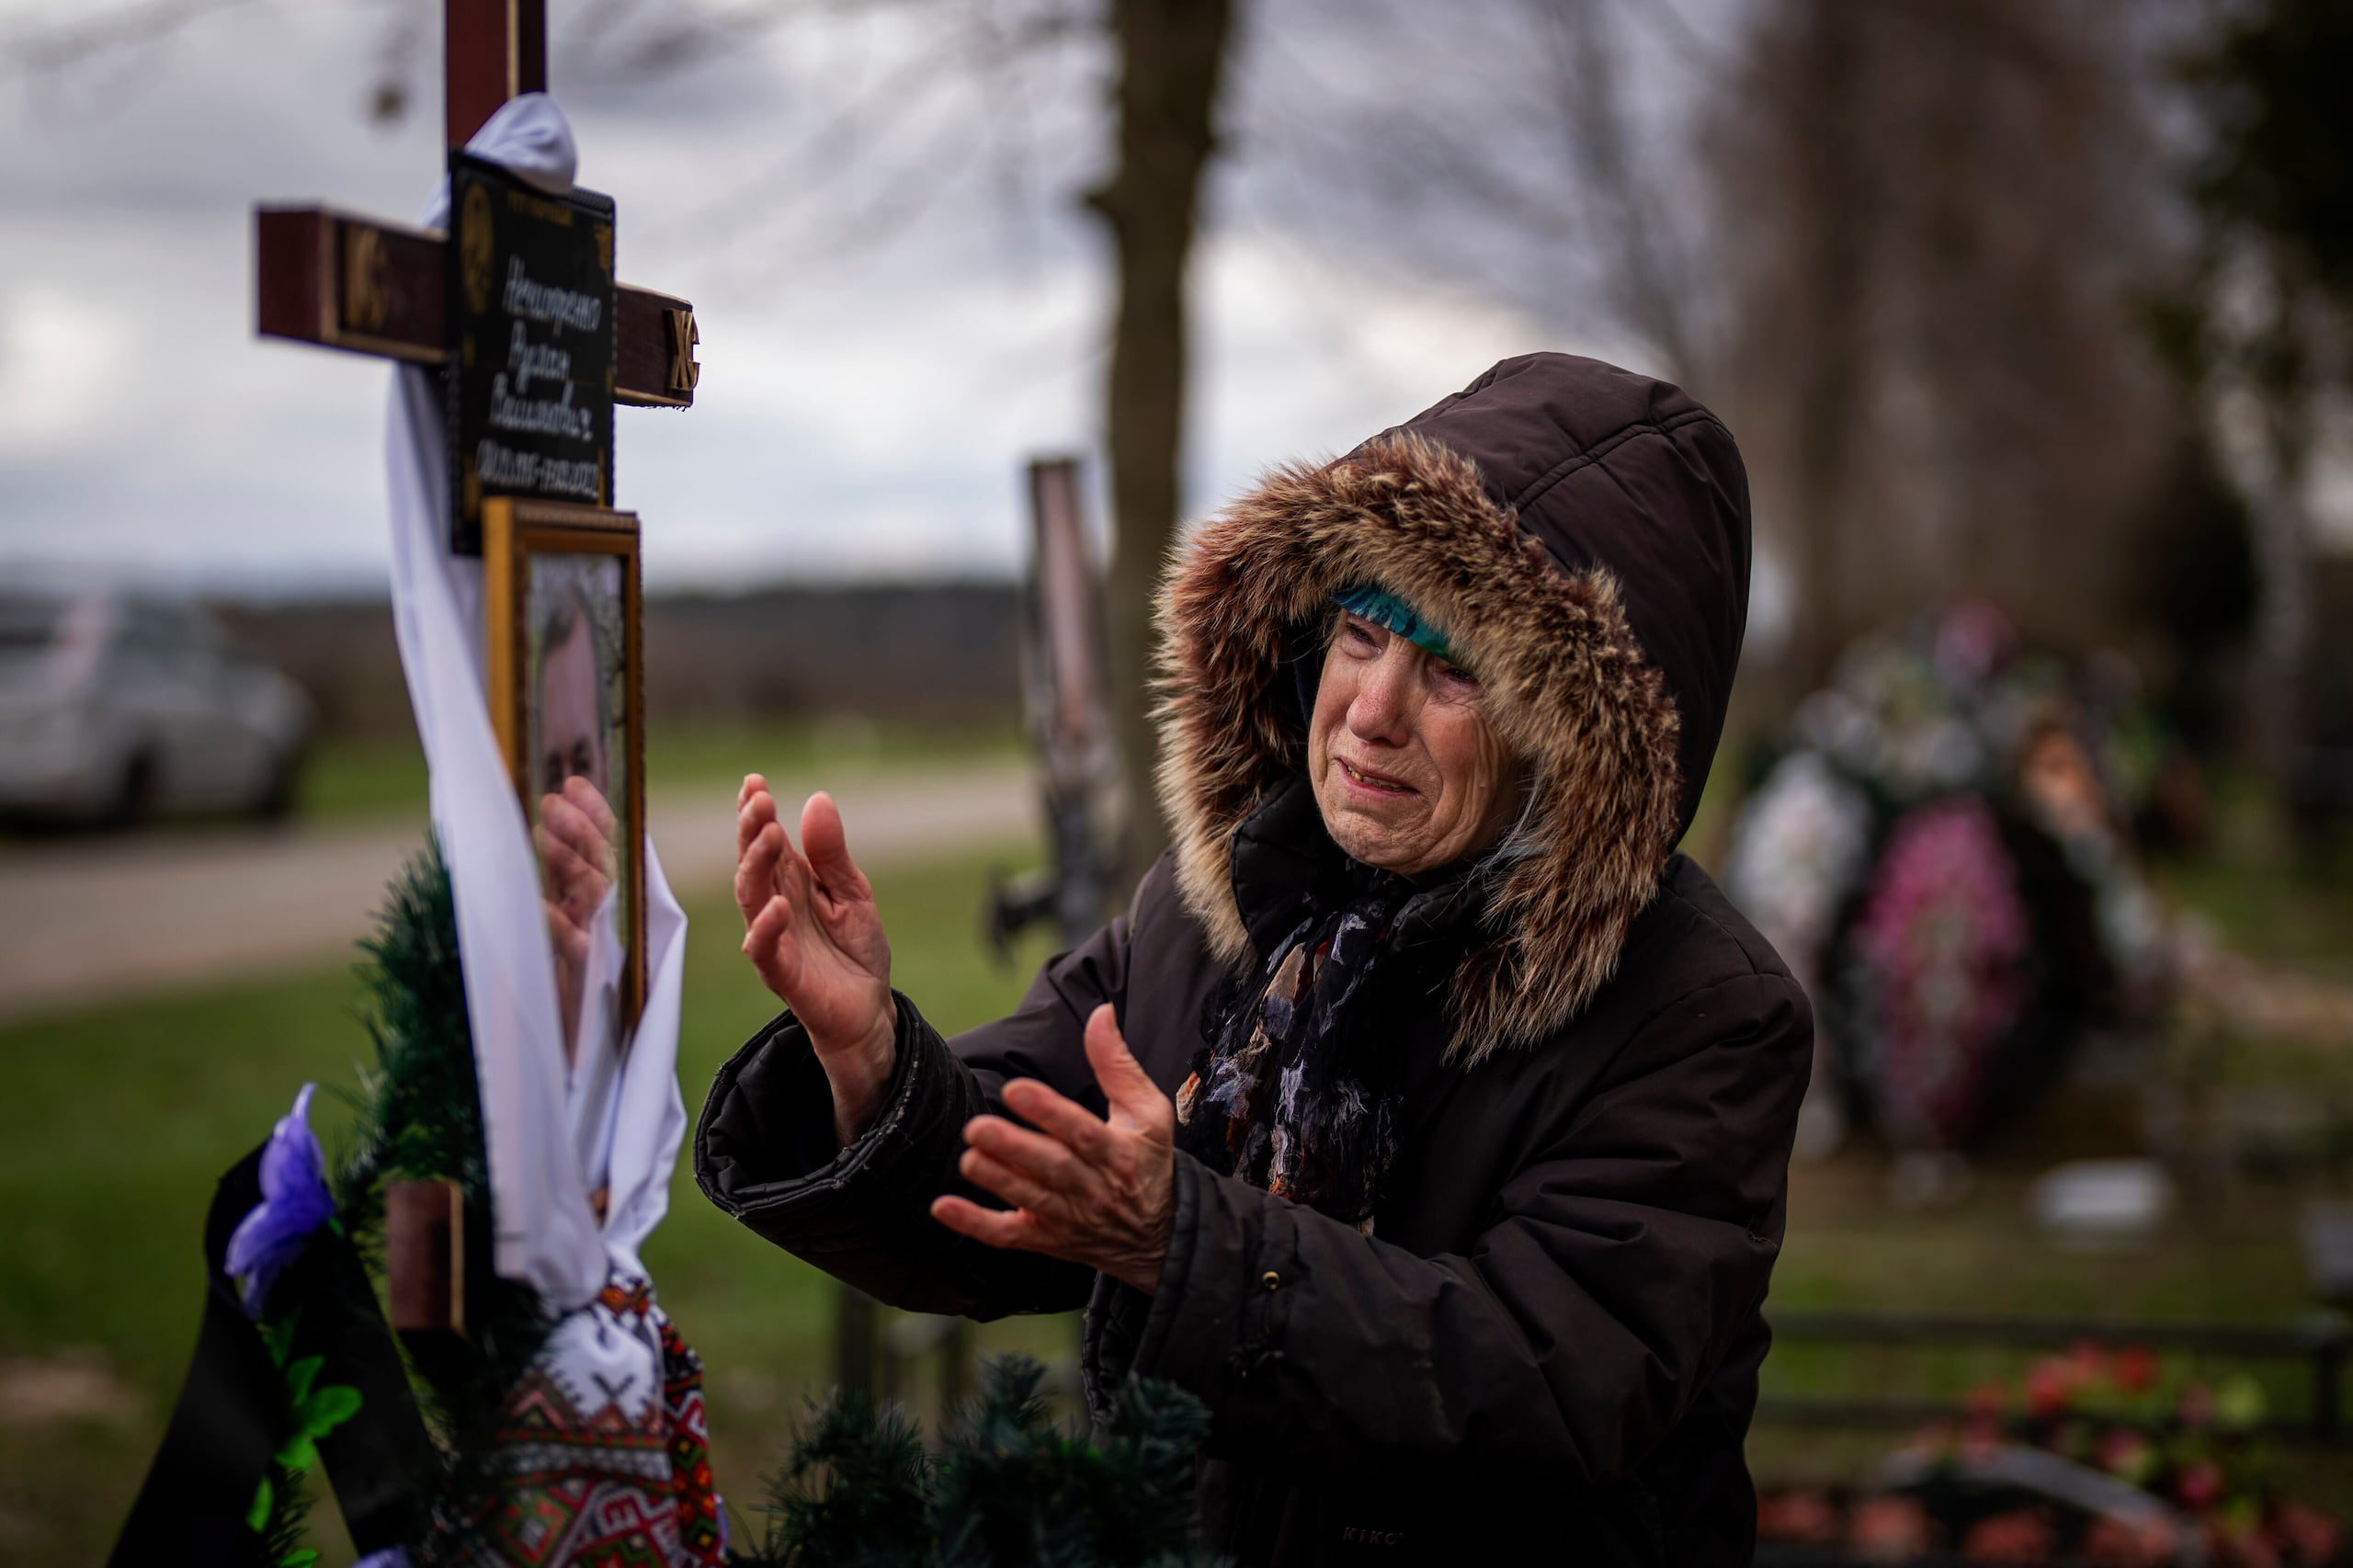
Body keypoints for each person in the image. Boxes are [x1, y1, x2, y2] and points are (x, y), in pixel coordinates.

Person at [698, 353, 1811, 1565]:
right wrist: (869, 1055)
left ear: (1574, 745)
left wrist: (1184, 1243)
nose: (1372, 709)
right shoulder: (1223, 904)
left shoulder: (1702, 1013)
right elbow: (1012, 1168)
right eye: (1362, 629)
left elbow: (1539, 1386)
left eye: (1451, 667)